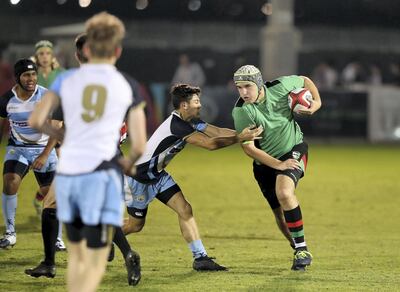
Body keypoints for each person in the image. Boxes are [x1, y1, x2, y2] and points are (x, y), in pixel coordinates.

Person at [28, 12, 147, 292]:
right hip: (105, 172)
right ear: (117, 50)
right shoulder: (128, 85)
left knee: (78, 254)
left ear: (88, 50)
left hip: (70, 172)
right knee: (96, 257)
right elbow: (140, 145)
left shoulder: (66, 79)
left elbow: (36, 121)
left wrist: (63, 135)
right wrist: (127, 163)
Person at [123, 83, 263, 272]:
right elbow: (210, 144)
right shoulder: (178, 125)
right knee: (135, 225)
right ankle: (106, 237)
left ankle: (200, 258)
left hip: (157, 175)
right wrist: (240, 138)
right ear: (184, 105)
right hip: (138, 178)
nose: (200, 105)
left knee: (185, 209)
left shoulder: (190, 120)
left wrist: (247, 134)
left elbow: (218, 132)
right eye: (196, 101)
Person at [231, 65, 321, 271]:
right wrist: (277, 164)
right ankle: (297, 245)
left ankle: (302, 249)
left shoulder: (281, 86)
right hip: (264, 164)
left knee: (284, 191)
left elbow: (305, 79)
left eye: (247, 86)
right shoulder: (242, 111)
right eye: (239, 87)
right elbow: (249, 148)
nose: (243, 92)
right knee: (280, 216)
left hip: (294, 149)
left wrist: (316, 103)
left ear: (259, 83)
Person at [24, 33, 86, 279]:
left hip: (74, 148)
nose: (45, 57)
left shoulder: (67, 80)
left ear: (76, 55)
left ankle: (50, 262)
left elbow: (45, 120)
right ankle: (121, 251)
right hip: (102, 153)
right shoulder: (116, 82)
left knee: (55, 203)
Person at [0, 59, 58, 249]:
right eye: (26, 75)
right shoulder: (7, 99)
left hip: (44, 148)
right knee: (10, 181)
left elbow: (57, 128)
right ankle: (10, 233)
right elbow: (2, 123)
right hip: (18, 147)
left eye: (33, 74)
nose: (31, 79)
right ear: (18, 78)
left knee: (51, 196)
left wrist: (44, 155)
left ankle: (57, 238)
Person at [31, 40, 66, 252]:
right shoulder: (31, 74)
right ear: (37, 56)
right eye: (41, 53)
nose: (44, 56)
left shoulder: (60, 73)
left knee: (61, 169)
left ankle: (45, 200)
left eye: (47, 53)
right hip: (37, 131)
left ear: (52, 56)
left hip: (56, 125)